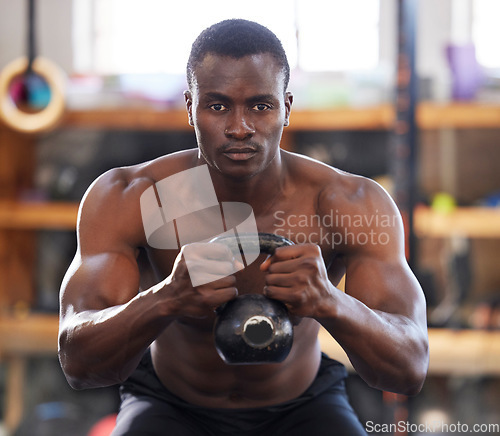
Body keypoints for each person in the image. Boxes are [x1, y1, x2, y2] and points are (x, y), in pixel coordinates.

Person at [58, 19, 429, 436]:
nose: (239, 128)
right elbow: (78, 363)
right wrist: (167, 298)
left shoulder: (349, 202)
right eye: (217, 106)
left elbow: (410, 369)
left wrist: (329, 301)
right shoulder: (130, 196)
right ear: (190, 107)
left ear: (286, 108)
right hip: (170, 404)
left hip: (303, 405)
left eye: (261, 106)